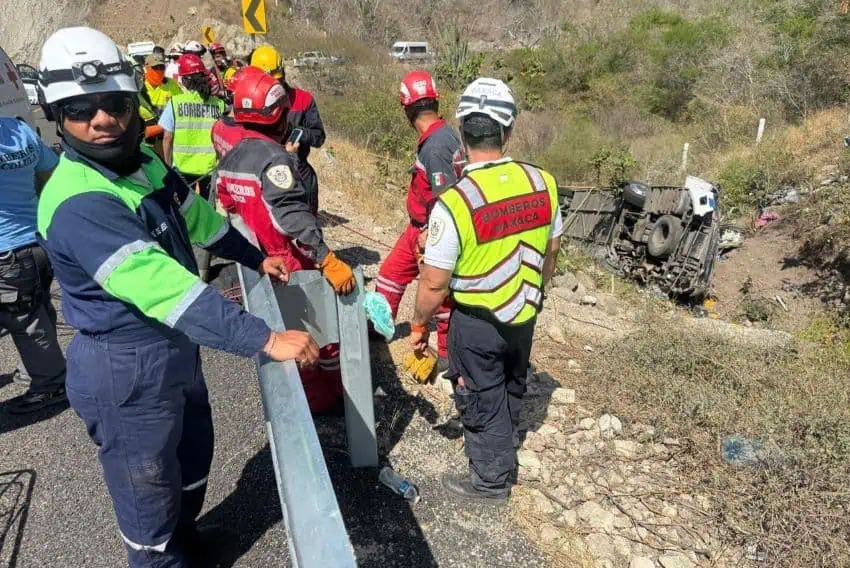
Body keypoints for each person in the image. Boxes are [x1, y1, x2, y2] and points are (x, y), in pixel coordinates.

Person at [36, 27, 319, 567]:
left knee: (192, 461)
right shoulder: (79, 201)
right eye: (80, 109)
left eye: (114, 104)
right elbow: (168, 291)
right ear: (57, 115)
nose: (101, 119)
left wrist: (256, 256)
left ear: (132, 101)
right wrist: (264, 338)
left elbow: (200, 218)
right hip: (124, 365)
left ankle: (190, 540)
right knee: (147, 499)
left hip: (173, 349)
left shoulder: (144, 162)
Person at [410, 78, 563, 503]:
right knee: (513, 381)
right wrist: (533, 292)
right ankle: (505, 444)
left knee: (480, 395)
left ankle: (491, 481)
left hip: (476, 322)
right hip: (525, 313)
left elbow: (434, 282)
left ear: (462, 134)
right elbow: (550, 255)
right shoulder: (543, 184)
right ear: (508, 132)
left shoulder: (455, 202)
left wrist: (419, 325)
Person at [211, 67, 355, 414]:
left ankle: (309, 398)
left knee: (289, 332)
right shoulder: (275, 159)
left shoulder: (231, 157)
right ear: (277, 118)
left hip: (258, 258)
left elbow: (228, 204)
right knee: (321, 331)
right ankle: (333, 399)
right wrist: (326, 258)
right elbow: (292, 219)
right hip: (290, 259)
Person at [375, 70, 461, 370]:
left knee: (440, 296)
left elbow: (446, 196)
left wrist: (431, 234)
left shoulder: (436, 146)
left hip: (430, 230)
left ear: (407, 109)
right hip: (418, 227)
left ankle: (449, 358)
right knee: (389, 275)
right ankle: (377, 332)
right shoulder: (441, 135)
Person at [0, 116, 67, 414]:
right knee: (37, 307)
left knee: (25, 320)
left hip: (7, 251)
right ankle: (38, 370)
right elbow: (50, 173)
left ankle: (50, 384)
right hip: (36, 239)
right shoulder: (17, 129)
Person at [250, 45, 326, 215]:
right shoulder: (252, 102)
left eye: (278, 80)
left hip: (298, 171)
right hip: (262, 172)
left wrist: (295, 131)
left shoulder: (303, 100)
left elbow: (319, 137)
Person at [160, 53, 225, 198]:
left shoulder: (175, 103)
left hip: (182, 168)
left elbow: (167, 138)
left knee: (186, 211)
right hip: (208, 169)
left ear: (184, 79)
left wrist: (168, 166)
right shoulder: (218, 105)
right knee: (209, 210)